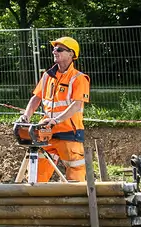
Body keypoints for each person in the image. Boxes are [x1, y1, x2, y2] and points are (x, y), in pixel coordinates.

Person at [16, 36, 90, 182]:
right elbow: (36, 98)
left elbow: (76, 105)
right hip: (46, 132)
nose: (54, 51)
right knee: (37, 174)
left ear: (71, 54)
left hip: (69, 133)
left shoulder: (79, 78)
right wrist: (26, 116)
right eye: (54, 49)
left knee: (75, 176)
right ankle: (36, 195)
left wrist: (56, 120)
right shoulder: (47, 76)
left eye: (59, 49)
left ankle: (76, 197)